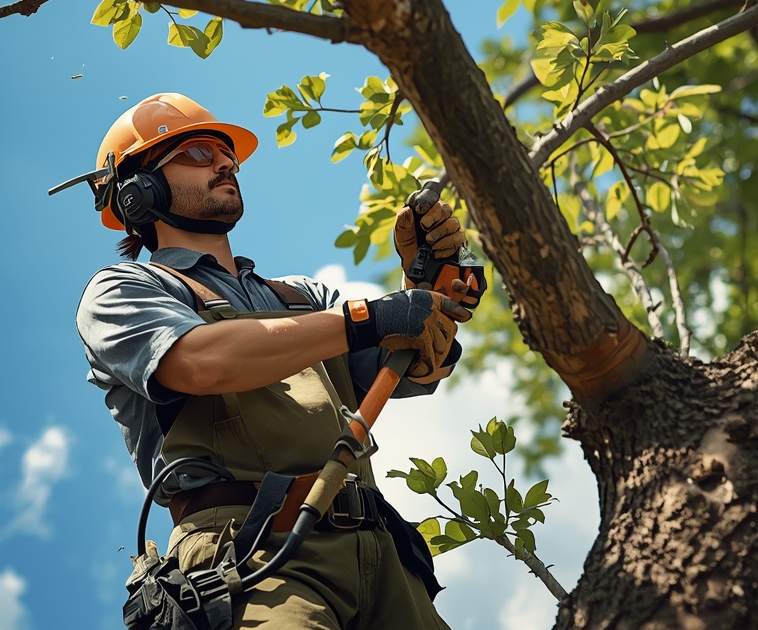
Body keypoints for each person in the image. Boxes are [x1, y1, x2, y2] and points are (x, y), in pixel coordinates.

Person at [68, 93, 474, 629]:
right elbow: (201, 362)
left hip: (385, 558)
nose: (225, 163)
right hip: (250, 556)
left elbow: (409, 368)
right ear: (139, 192)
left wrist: (427, 287)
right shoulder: (125, 290)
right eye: (196, 153)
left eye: (226, 154)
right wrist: (363, 319)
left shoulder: (300, 298)